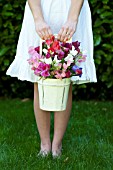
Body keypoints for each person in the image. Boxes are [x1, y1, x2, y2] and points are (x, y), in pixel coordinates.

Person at [6, 0, 97, 158]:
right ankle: (45, 144)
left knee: (65, 77)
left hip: (70, 9)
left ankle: (57, 144)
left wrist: (72, 18)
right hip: (40, 9)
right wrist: (38, 19)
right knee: (39, 77)